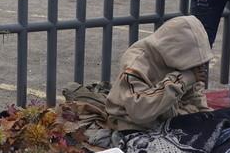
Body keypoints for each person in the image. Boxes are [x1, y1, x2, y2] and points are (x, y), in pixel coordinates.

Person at [83, 15, 212, 146]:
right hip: (137, 126)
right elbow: (139, 112)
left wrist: (207, 120)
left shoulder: (189, 64)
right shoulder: (137, 63)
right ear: (175, 51)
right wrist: (181, 80)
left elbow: (195, 97)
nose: (197, 68)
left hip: (171, 121)